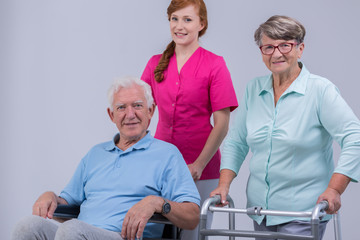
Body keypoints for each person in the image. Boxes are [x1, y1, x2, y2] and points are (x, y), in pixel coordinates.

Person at [210, 15, 360, 240]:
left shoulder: (320, 90)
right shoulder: (254, 89)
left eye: (285, 45)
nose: (276, 53)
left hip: (304, 212)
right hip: (261, 212)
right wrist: (224, 185)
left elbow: (354, 137)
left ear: (300, 49)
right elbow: (236, 141)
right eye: (268, 47)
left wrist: (335, 189)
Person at [12, 76, 201, 240]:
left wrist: (157, 202)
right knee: (28, 226)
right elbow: (67, 204)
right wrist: (50, 196)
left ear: (150, 111)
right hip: (79, 234)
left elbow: (192, 217)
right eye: (121, 108)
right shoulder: (95, 154)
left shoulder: (167, 154)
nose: (130, 114)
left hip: (125, 236)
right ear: (111, 115)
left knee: (72, 230)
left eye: (137, 105)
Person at [141, 1, 238, 238]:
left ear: (201, 24)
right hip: (160, 165)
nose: (179, 26)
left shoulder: (215, 64)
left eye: (187, 19)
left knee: (191, 234)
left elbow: (222, 124)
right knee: (156, 232)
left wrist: (198, 164)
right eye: (174, 19)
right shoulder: (155, 63)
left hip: (201, 168)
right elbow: (140, 111)